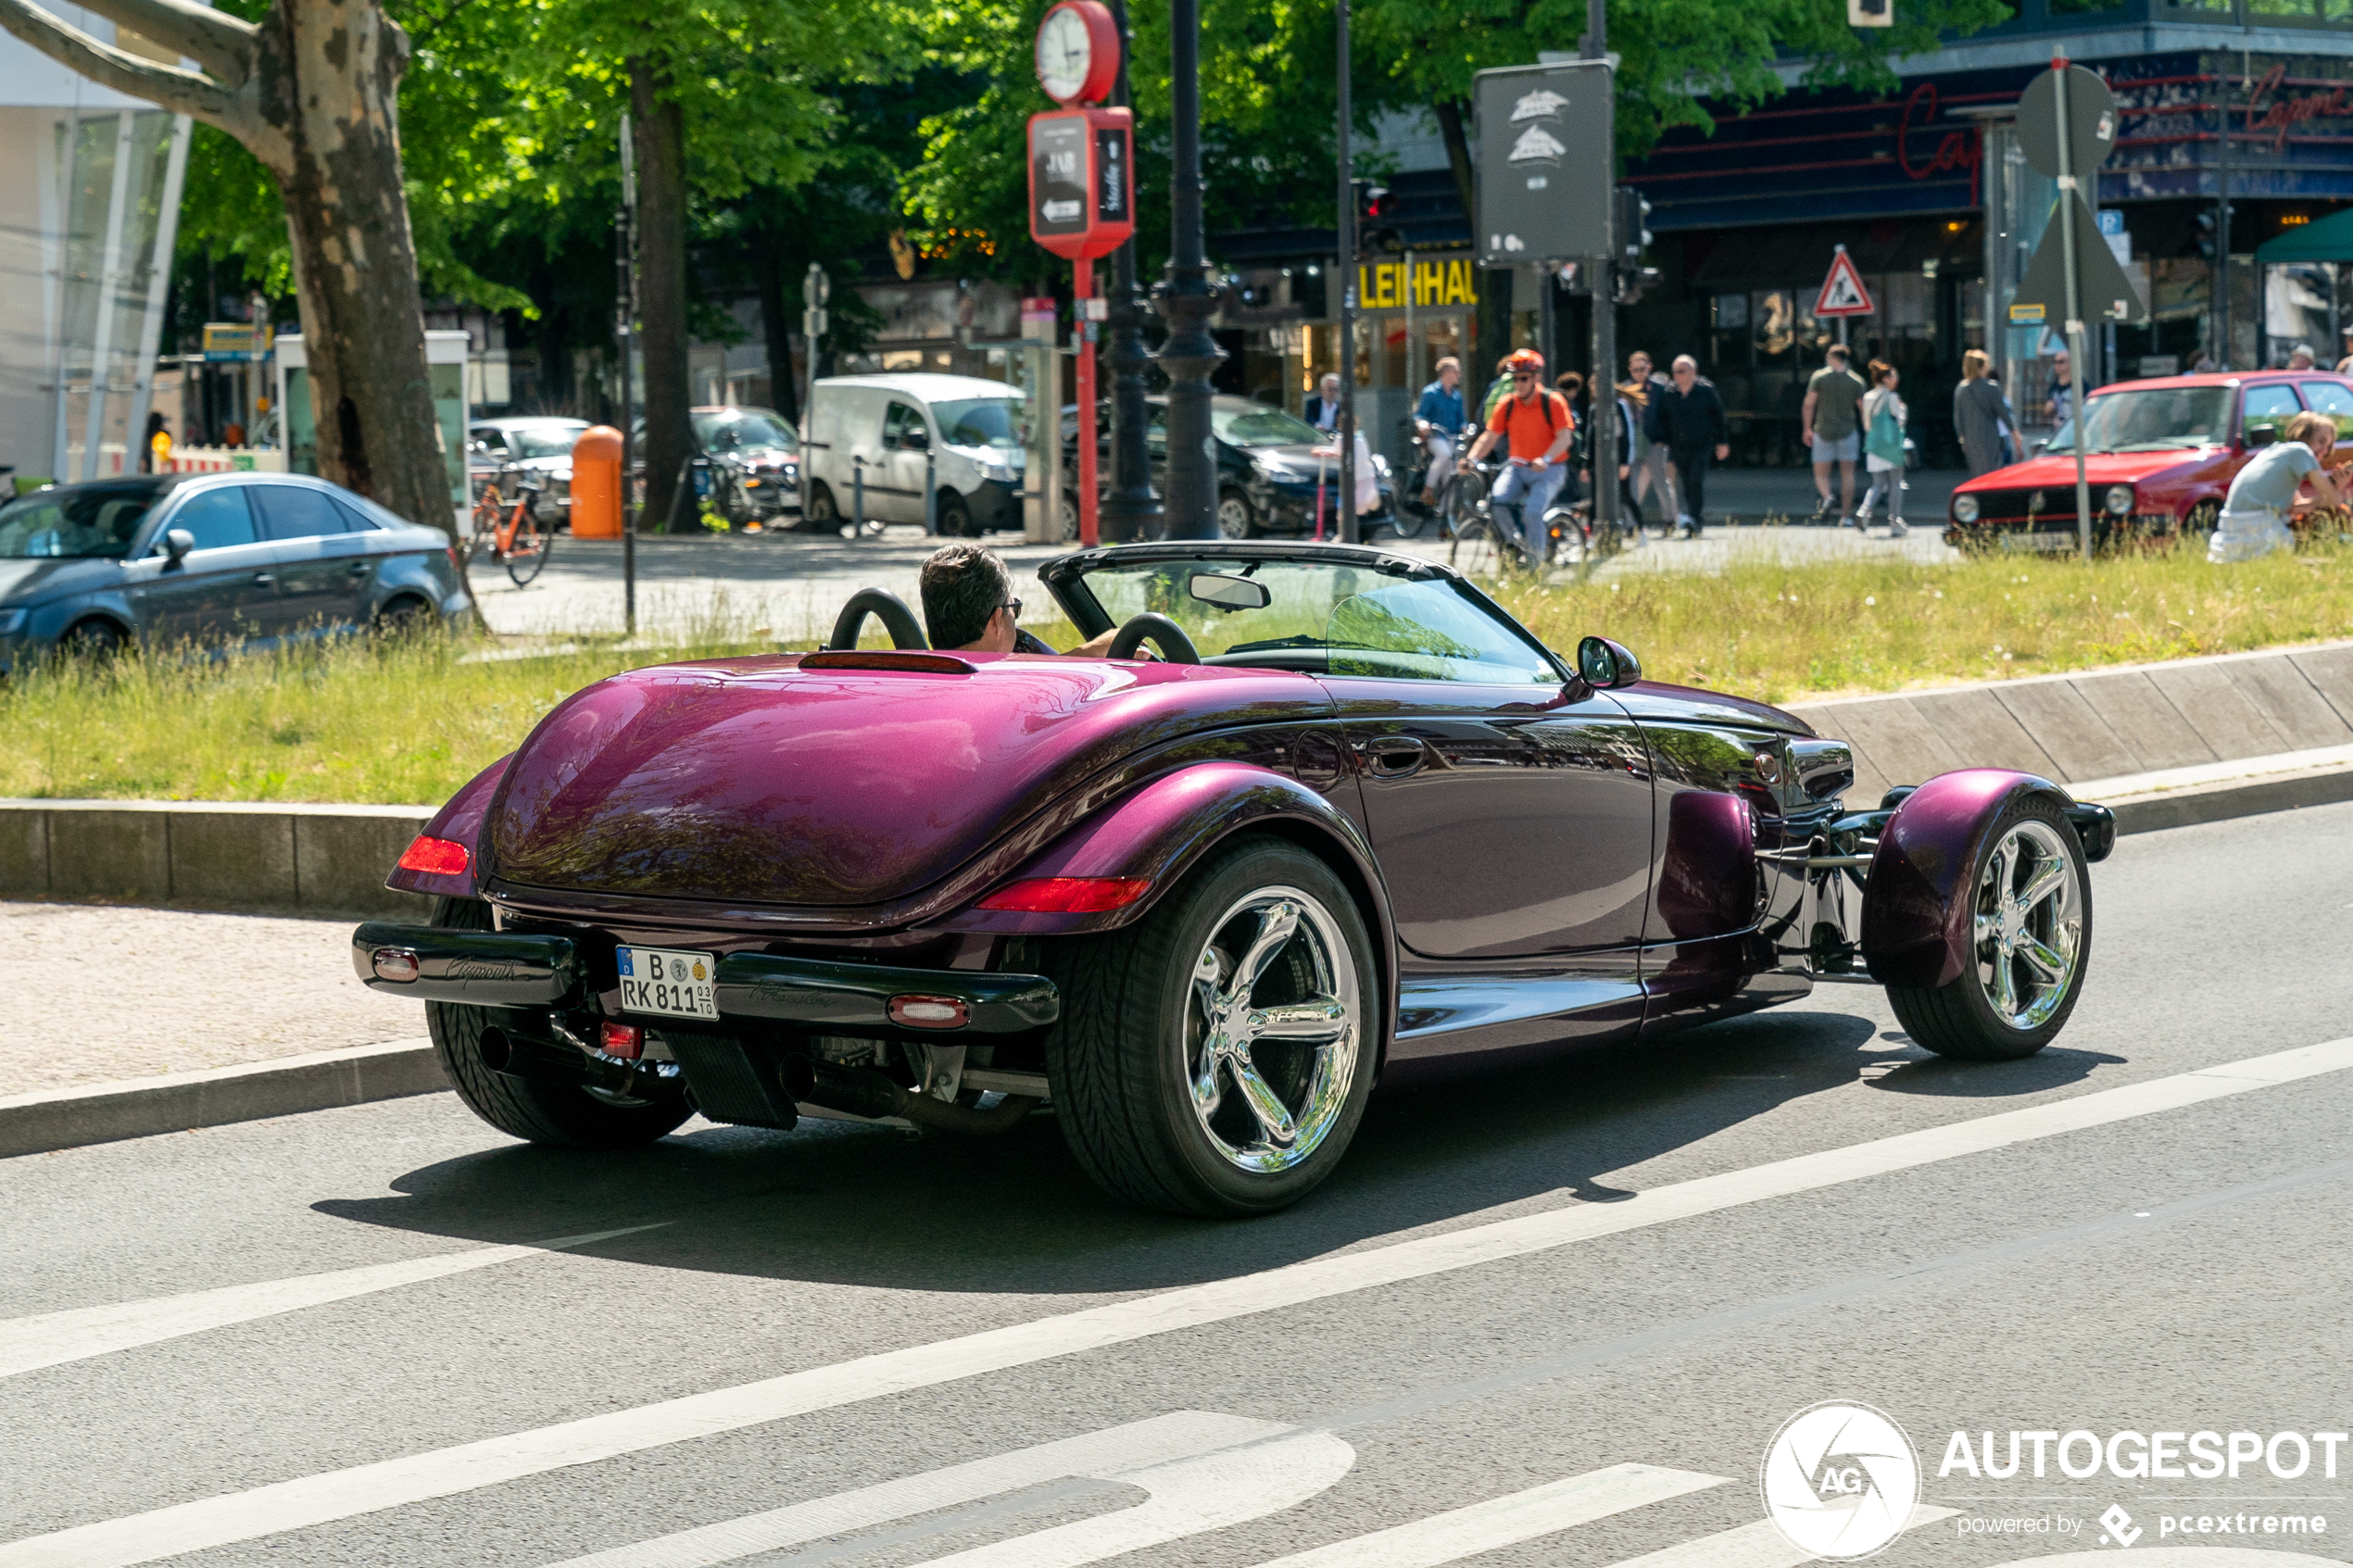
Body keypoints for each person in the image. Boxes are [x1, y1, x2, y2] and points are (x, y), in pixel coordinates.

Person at [1466, 349, 1574, 565]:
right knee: (1497, 502)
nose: (1519, 384)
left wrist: (1546, 458)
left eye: (1524, 378)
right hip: (1516, 467)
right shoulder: (1507, 404)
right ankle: (1515, 544)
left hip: (1550, 470)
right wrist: (1471, 459)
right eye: (1515, 379)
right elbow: (1489, 437)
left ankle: (1535, 569)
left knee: (1533, 512)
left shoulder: (1553, 402)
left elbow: (1565, 438)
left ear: (1536, 378)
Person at [920, 542, 1119, 654]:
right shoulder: (1006, 694)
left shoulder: (911, 679)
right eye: (1013, 608)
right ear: (997, 620)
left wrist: (1088, 652)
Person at [2209, 410, 2343, 563]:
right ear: (2304, 435)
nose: (2325, 450)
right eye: (2321, 441)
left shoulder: (2274, 452)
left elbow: (2296, 507)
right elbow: (2335, 501)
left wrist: (2334, 487)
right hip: (2257, 527)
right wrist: (2335, 488)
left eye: (2328, 445)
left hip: (2231, 531)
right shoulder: (2300, 451)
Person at [1646, 354, 1730, 538]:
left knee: (1696, 480)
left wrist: (1722, 442)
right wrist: (1661, 438)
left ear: (1693, 372)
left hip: (1701, 444)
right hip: (1678, 446)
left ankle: (1695, 520)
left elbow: (1719, 417)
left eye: (1681, 371)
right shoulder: (1669, 393)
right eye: (1675, 372)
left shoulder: (1706, 391)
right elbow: (1662, 418)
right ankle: (1692, 517)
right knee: (1686, 483)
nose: (1677, 375)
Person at [1802, 345, 1867, 525]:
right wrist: (1868, 431)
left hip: (1823, 430)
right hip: (1848, 432)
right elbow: (1863, 408)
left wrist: (1807, 428)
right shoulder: (1856, 381)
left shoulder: (1819, 378)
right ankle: (1845, 516)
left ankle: (1828, 496)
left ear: (1832, 358)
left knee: (1821, 473)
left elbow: (1809, 404)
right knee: (1848, 474)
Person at [1625, 350, 1677, 533]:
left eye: (1643, 369)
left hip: (1654, 441)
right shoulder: (1624, 389)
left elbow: (1668, 416)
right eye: (1635, 370)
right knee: (1632, 484)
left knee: (1660, 482)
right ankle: (1631, 524)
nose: (1639, 373)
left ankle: (1670, 521)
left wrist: (1664, 439)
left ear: (1649, 367)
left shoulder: (1659, 389)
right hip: (1633, 442)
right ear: (1630, 369)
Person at [1856, 359, 1909, 537]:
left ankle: (1863, 511)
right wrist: (1904, 410)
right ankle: (1895, 520)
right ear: (1886, 378)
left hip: (1873, 444)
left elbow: (1866, 424)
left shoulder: (1868, 397)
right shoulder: (1892, 397)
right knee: (1896, 482)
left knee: (1877, 483)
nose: (1896, 379)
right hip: (1891, 445)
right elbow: (1900, 422)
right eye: (1894, 376)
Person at [1952, 349, 2017, 477]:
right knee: (1994, 472)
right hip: (1990, 436)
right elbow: (2003, 413)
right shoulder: (1991, 387)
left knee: (1977, 473)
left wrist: (1962, 439)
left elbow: (1958, 418)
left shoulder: (1960, 389)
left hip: (1971, 439)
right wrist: (2014, 433)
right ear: (1982, 367)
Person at [1310, 412, 1381, 525]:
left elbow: (1354, 459)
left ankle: (1371, 501)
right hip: (1353, 479)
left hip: (1362, 477)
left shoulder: (1359, 440)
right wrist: (1324, 451)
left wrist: (1331, 453)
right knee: (1345, 507)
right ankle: (1342, 533)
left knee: (1359, 506)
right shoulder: (1342, 438)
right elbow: (1337, 451)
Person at [1413, 356, 1466, 508]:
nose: (1459, 375)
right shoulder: (1430, 392)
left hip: (1453, 438)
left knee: (1449, 477)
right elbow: (1419, 415)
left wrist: (1465, 427)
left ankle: (1444, 515)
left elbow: (1462, 418)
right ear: (1447, 372)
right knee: (1444, 454)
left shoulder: (1457, 396)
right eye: (1457, 371)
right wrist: (1422, 423)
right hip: (1436, 436)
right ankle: (1427, 489)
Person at [2044, 349, 2074, 426]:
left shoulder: (2081, 385)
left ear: (2070, 363)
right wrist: (2049, 408)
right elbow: (2047, 410)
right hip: (2060, 432)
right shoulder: (2053, 387)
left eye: (2061, 362)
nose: (2057, 365)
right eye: (2055, 362)